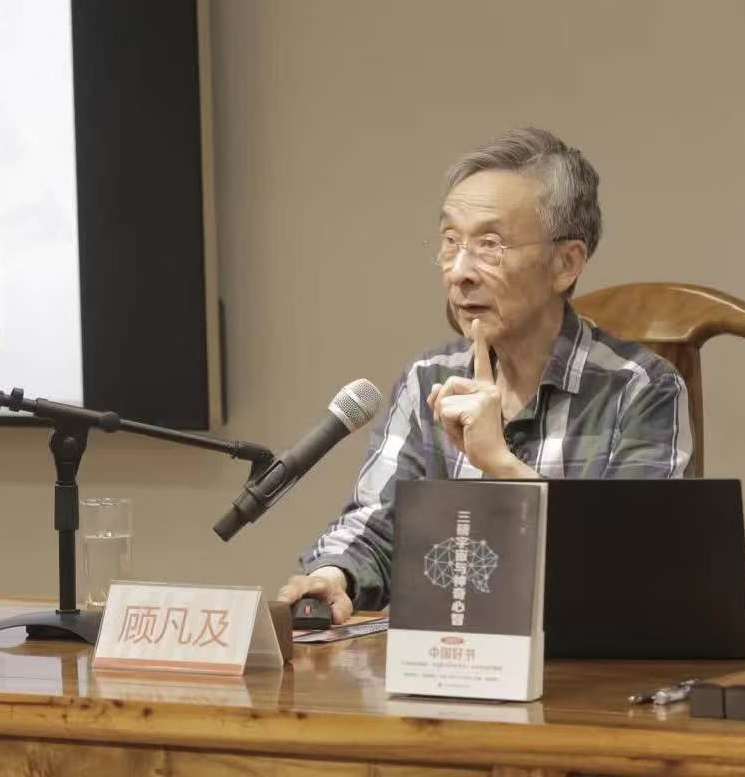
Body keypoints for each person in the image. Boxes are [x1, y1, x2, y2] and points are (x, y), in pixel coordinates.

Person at [278, 128, 693, 622]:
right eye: (450, 242)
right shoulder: (429, 380)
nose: (459, 272)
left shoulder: (639, 390)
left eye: (490, 246)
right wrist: (334, 576)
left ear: (566, 264)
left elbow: (638, 569)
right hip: (454, 658)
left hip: (589, 664)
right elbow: (378, 527)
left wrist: (500, 464)